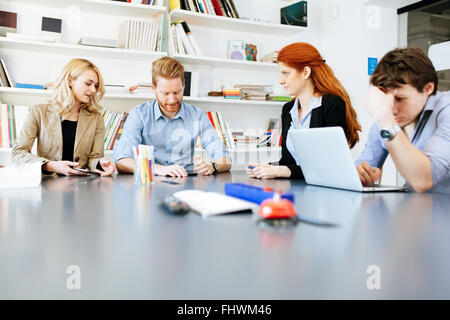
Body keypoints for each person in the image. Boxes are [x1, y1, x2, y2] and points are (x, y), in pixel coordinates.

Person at [246, 42, 361, 179]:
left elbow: (328, 166)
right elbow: (288, 163)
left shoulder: (332, 104)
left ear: (306, 72)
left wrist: (279, 171)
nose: (281, 81)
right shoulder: (288, 109)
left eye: (286, 73)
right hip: (299, 187)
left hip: (327, 190)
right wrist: (265, 168)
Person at [114, 57, 231, 177]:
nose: (171, 100)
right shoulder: (139, 114)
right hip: (150, 182)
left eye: (176, 92)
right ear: (153, 88)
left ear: (184, 86)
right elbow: (122, 161)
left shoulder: (198, 115)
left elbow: (225, 159)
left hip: (186, 182)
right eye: (165, 93)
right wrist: (158, 169)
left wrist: (212, 166)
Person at [356, 47, 450, 193]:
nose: (393, 109)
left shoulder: (446, 109)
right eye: (386, 100)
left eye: (400, 99)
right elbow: (363, 168)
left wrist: (387, 122)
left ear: (427, 89)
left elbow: (423, 180)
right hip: (416, 208)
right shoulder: (385, 119)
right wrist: (361, 173)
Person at [12, 58, 116, 176]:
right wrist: (50, 165)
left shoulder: (96, 118)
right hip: (48, 186)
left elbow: (95, 157)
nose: (93, 90)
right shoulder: (38, 112)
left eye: (96, 86)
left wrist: (100, 163)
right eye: (88, 83)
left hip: (82, 186)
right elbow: (18, 153)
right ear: (70, 81)